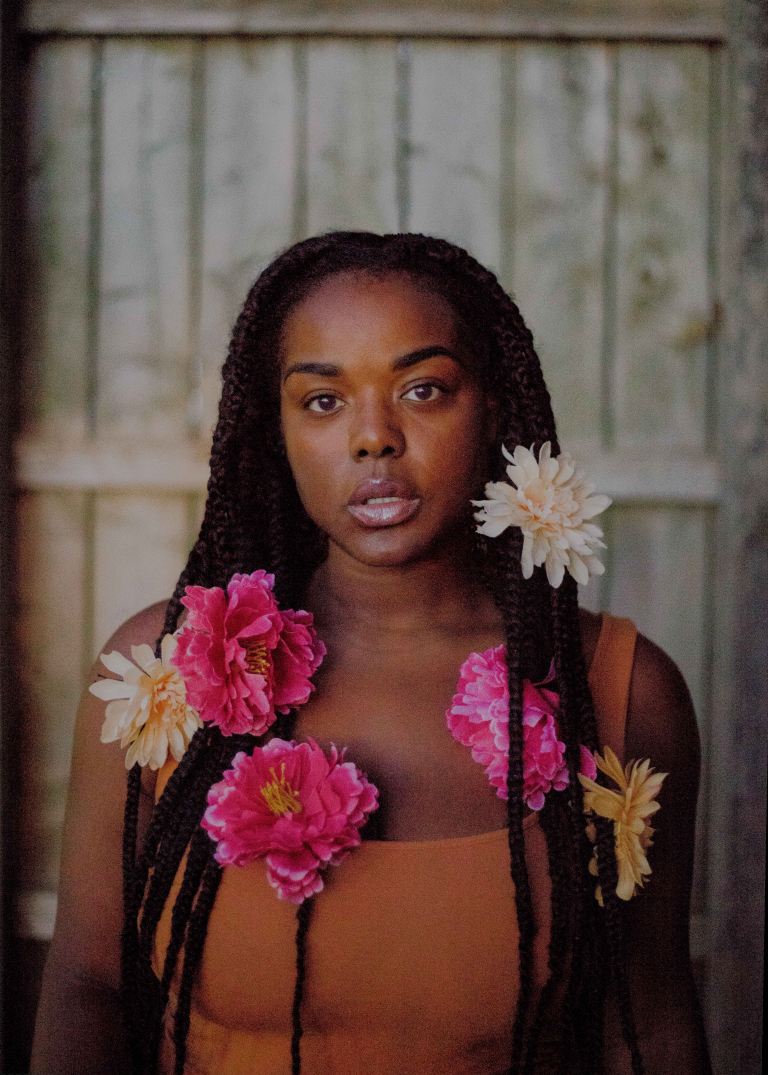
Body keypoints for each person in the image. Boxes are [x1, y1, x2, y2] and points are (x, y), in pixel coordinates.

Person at [31, 232, 711, 1075]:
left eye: (423, 389)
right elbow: (87, 985)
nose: (373, 437)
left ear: (493, 406)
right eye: (322, 400)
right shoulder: (160, 681)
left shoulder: (620, 693)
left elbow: (647, 1021)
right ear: (274, 428)